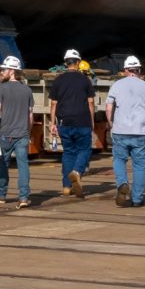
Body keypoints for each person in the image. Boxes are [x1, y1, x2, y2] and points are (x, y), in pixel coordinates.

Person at [104, 55, 145, 207]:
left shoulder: (116, 85)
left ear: (125, 70)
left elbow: (109, 107)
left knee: (119, 160)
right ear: (139, 70)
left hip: (120, 130)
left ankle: (122, 183)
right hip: (140, 131)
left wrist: (111, 123)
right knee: (139, 166)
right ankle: (137, 199)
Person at [47, 48, 95, 197]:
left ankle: (67, 187)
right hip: (82, 121)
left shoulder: (58, 80)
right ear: (78, 62)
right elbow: (91, 102)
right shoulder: (85, 80)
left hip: (63, 122)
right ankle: (77, 172)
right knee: (84, 150)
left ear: (66, 63)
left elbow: (53, 103)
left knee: (68, 152)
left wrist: (52, 123)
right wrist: (91, 121)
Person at [0, 56, 33, 207]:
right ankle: (24, 197)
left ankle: (1, 194)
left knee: (3, 164)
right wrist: (28, 132)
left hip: (5, 134)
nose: (2, 72)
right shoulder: (27, 90)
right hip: (22, 134)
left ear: (12, 71)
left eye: (4, 69)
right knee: (23, 165)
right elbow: (30, 115)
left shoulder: (1, 88)